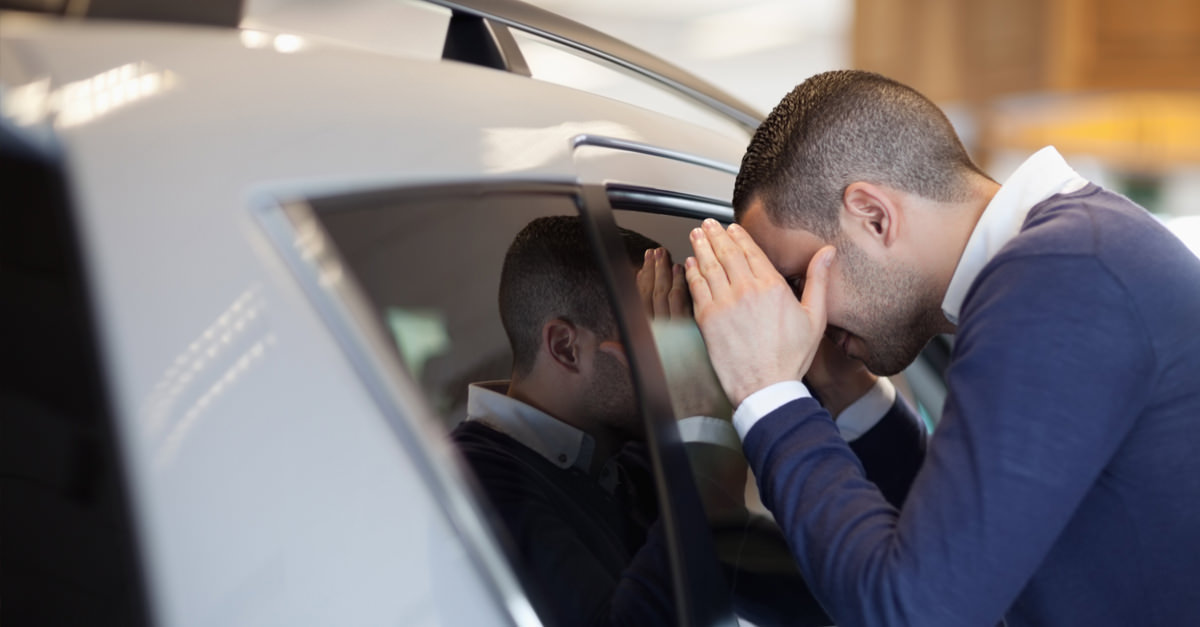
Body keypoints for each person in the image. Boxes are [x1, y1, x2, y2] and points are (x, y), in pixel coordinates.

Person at [684, 69, 1200, 627]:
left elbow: (914, 610)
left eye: (795, 278)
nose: (800, 311)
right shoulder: (1076, 254)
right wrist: (838, 384)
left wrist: (768, 389)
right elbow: (975, 543)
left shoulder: (1058, 281)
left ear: (874, 217)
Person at [450, 215, 926, 626]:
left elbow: (832, 591)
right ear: (566, 348)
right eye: (661, 331)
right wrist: (702, 424)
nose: (690, 352)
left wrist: (841, 382)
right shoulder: (472, 484)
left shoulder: (632, 467)